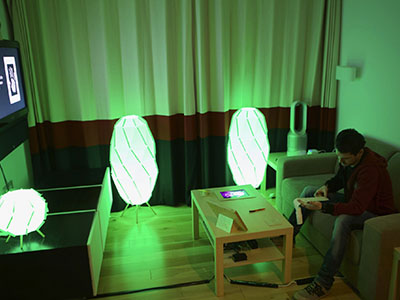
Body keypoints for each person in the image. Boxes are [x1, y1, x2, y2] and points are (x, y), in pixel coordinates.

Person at [290, 129, 396, 300]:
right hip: (355, 201)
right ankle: (288, 235)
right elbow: (340, 179)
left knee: (343, 220)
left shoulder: (371, 170)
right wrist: (327, 187)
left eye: (345, 158)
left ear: (359, 153)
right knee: (309, 191)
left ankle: (323, 283)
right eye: (339, 156)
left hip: (376, 214)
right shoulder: (349, 160)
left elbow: (356, 208)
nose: (341, 161)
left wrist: (324, 208)